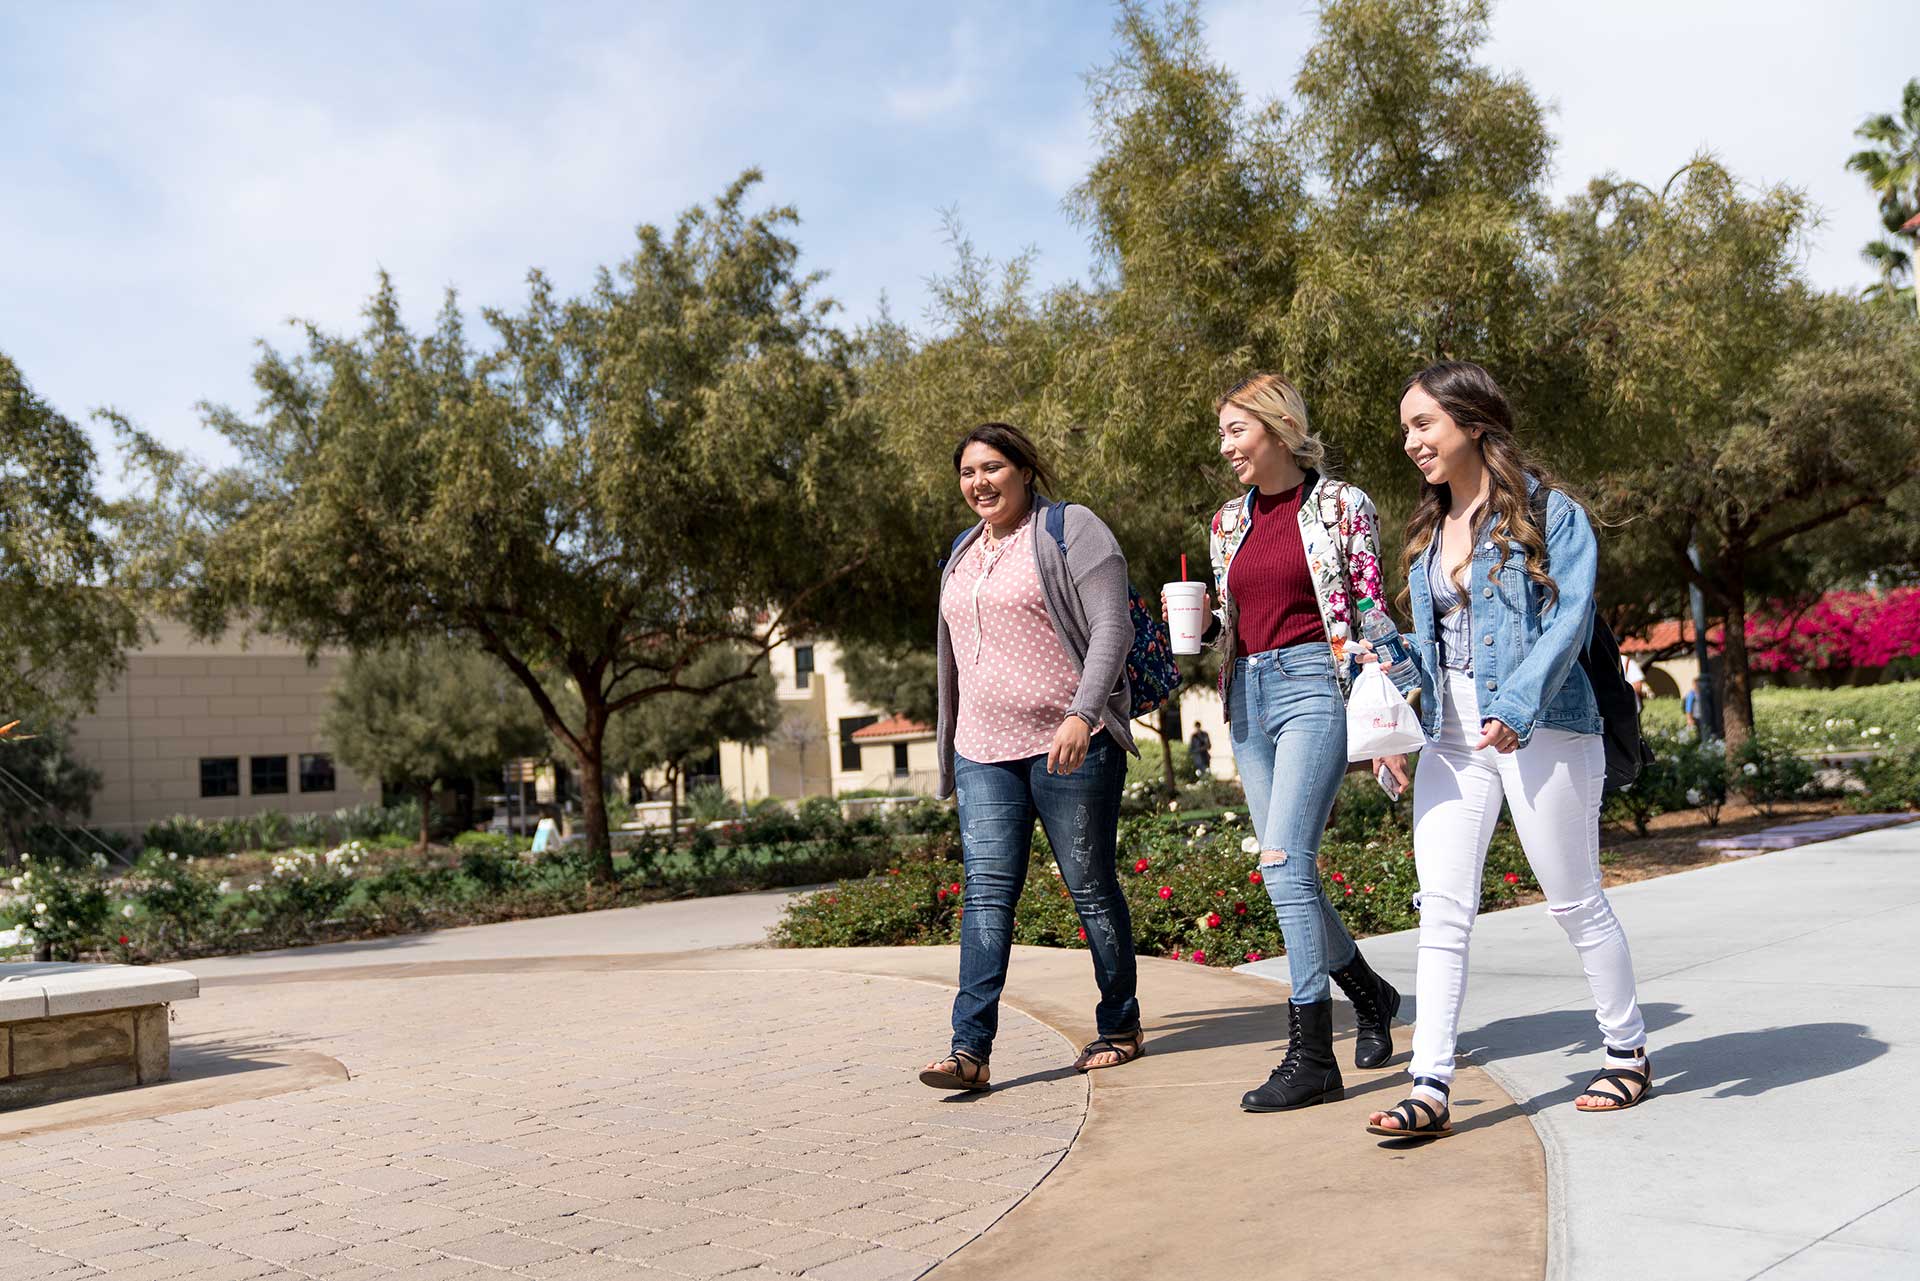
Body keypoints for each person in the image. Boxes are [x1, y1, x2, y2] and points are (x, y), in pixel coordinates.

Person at [1365, 361, 1652, 1139]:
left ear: (1474, 421)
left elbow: (1567, 624)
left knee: (1573, 897)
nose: (1411, 441)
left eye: (1423, 423)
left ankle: (1626, 1048)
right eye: (1405, 429)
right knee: (1444, 911)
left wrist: (1516, 710)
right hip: (1452, 735)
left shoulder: (1552, 515)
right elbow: (1430, 658)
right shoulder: (1430, 530)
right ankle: (1431, 1081)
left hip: (1545, 722)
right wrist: (1387, 673)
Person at [1168, 373, 1403, 1115]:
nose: (1226, 446)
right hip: (1247, 695)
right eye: (1223, 434)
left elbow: (1371, 608)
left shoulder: (1343, 505)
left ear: (1276, 427)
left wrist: (1392, 714)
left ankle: (1311, 1054)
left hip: (1315, 685)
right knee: (1284, 871)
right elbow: (1233, 622)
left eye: (1235, 430)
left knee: (1285, 862)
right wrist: (1201, 628)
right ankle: (1369, 991)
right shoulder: (1224, 525)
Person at [921, 422, 1144, 1093]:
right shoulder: (963, 550)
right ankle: (970, 1050)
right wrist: (949, 742)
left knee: (1090, 886)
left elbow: (1113, 624)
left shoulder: (1070, 529)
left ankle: (1120, 1023)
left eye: (992, 468)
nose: (978, 483)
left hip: (1068, 745)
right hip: (982, 751)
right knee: (986, 892)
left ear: (1023, 469)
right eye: (967, 472)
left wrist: (1083, 713)